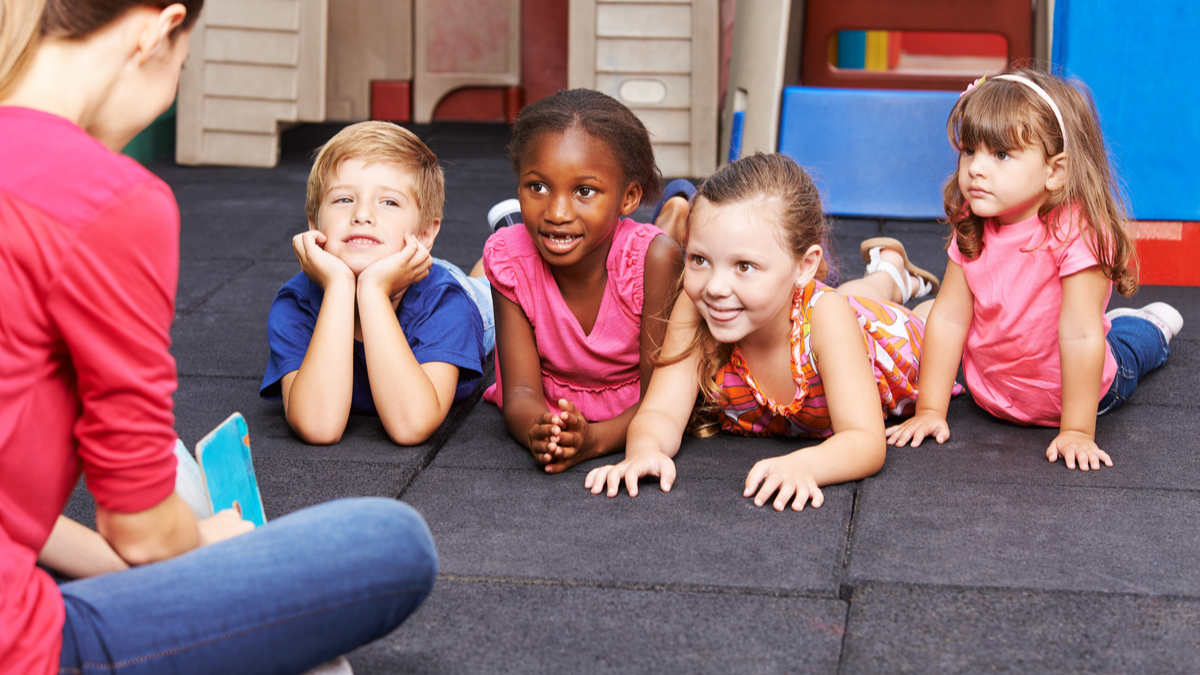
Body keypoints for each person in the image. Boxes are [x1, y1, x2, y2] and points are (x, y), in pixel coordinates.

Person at [0, 2, 435, 674]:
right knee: (391, 541)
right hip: (22, 644)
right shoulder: (112, 200)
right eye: (183, 64)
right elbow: (142, 531)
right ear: (157, 30)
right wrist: (213, 546)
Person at [585, 152, 947, 511]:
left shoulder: (828, 318)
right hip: (817, 307)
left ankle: (891, 274)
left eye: (744, 266)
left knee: (914, 318)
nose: (715, 287)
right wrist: (645, 452)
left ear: (804, 266)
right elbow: (661, 412)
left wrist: (805, 465)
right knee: (851, 297)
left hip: (888, 338)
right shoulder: (697, 307)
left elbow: (865, 440)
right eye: (699, 260)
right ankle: (888, 271)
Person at [885, 69, 1182, 471]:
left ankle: (1150, 326)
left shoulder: (1076, 232)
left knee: (1128, 349)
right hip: (992, 395)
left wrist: (1077, 431)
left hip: (1078, 397)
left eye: (1001, 155)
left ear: (1055, 171)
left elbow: (1080, 334)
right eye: (969, 150)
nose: (975, 168)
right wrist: (930, 410)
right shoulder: (974, 221)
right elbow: (950, 318)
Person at [482, 88, 686, 474]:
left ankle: (675, 213)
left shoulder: (655, 262)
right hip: (555, 393)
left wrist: (595, 440)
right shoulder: (509, 259)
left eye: (584, 191)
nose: (557, 212)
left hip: (634, 408)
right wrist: (540, 431)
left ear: (629, 198)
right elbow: (521, 391)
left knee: (672, 247)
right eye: (538, 187)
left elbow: (661, 400)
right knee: (506, 249)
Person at [260, 120, 492, 446]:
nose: (362, 215)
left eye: (389, 202)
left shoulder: (447, 302)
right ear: (314, 224)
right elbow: (318, 426)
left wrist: (371, 290)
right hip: (395, 269)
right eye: (343, 200)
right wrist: (340, 286)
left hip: (455, 289)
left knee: (497, 289)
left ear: (425, 233)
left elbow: (411, 425)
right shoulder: (295, 304)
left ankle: (506, 243)